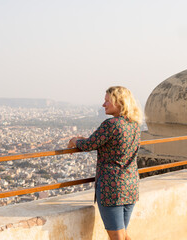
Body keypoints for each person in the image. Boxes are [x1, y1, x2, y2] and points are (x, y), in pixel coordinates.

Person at [68, 86, 142, 240]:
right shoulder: (134, 124)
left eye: (107, 101)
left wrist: (75, 140)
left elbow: (88, 145)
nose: (103, 104)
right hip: (130, 185)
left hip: (112, 187)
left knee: (116, 236)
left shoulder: (112, 124)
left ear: (120, 102)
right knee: (123, 233)